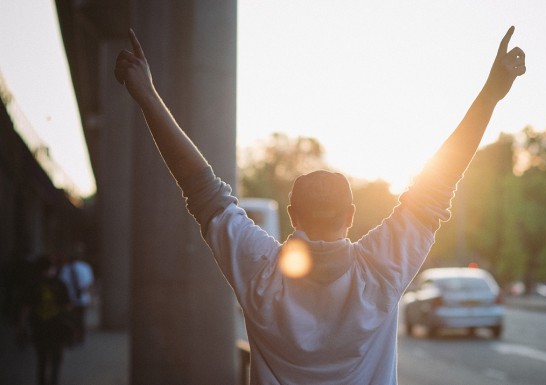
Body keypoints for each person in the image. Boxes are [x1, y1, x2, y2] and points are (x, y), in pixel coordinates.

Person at [114, 26, 525, 384]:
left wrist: (147, 95)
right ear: (350, 216)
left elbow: (199, 188)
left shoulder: (261, 272)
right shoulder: (379, 271)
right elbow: (441, 180)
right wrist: (490, 94)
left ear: (293, 216)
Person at [20, 255, 72, 385]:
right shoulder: (59, 284)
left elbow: (26, 308)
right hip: (57, 326)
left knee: (42, 359)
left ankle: (42, 382)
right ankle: (54, 381)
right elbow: (67, 306)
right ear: (50, 268)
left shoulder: (32, 285)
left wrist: (22, 326)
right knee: (56, 358)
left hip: (39, 327)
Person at [57, 247, 94, 344]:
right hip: (75, 298)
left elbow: (89, 284)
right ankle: (76, 338)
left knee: (75, 320)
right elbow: (89, 284)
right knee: (77, 320)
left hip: (75, 298)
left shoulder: (83, 267)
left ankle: (77, 338)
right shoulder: (69, 268)